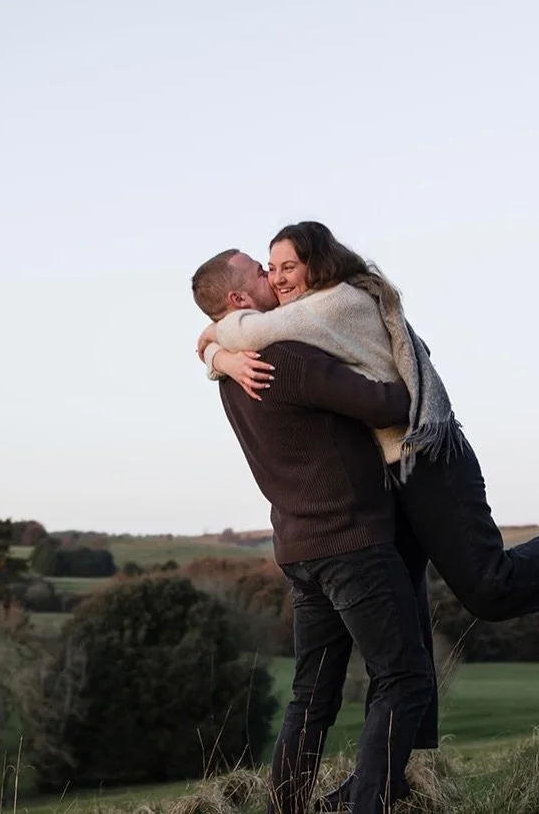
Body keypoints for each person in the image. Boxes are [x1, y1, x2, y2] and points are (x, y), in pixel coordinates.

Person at [197, 222, 539, 630]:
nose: (275, 278)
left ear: (317, 265)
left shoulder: (333, 304)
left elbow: (247, 333)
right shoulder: (306, 318)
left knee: (490, 589)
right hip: (394, 473)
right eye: (269, 268)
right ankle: (412, 726)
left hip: (428, 459)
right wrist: (220, 356)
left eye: (286, 267)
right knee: (409, 623)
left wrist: (213, 346)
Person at [191, 253, 436, 814]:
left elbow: (209, 347)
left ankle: (288, 808)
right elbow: (391, 403)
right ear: (238, 301)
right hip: (352, 545)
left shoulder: (232, 377)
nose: (272, 275)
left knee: (312, 695)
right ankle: (367, 806)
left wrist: (215, 352)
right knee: (405, 677)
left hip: (300, 552)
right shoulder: (288, 359)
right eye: (259, 270)